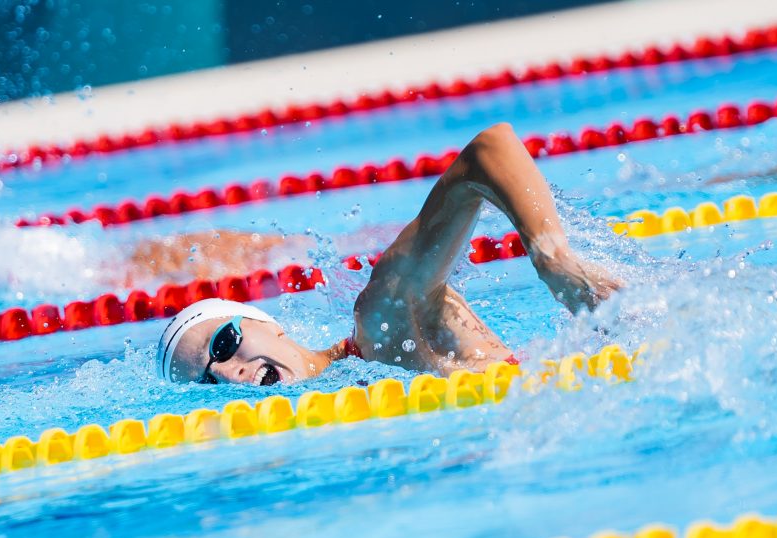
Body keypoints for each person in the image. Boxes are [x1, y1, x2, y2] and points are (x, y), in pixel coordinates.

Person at [157, 122, 624, 385]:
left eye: (222, 344)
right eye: (208, 382)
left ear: (266, 324)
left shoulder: (381, 324)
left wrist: (552, 260)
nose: (228, 371)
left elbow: (489, 150)